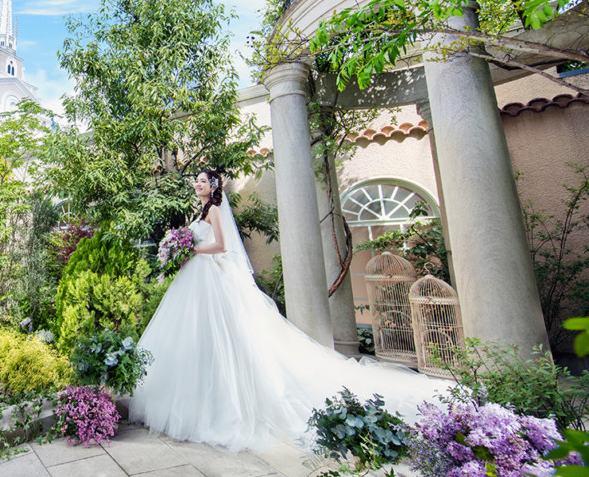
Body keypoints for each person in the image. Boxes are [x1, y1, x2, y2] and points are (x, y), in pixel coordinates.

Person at [128, 168, 442, 451]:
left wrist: (190, 248)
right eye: (195, 181)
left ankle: (216, 407)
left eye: (201, 181)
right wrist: (182, 250)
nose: (196, 185)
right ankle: (196, 400)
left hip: (210, 275)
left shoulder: (218, 209)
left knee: (221, 336)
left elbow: (222, 245)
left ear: (212, 185)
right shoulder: (204, 209)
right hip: (198, 276)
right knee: (197, 336)